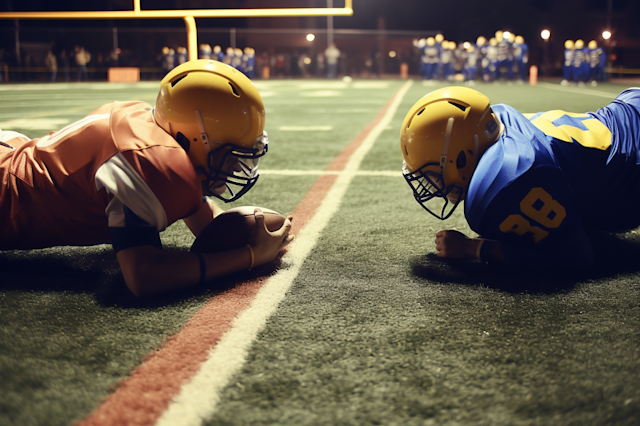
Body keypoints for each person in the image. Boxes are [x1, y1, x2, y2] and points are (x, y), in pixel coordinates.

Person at [0, 60, 293, 297]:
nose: (234, 167)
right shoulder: (147, 158)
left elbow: (204, 222)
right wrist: (250, 256)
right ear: (193, 135)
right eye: (228, 154)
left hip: (13, 152)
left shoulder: (153, 127)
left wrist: (249, 230)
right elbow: (143, 275)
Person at [399, 86, 640, 272]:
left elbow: (576, 256)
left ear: (462, 157)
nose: (433, 184)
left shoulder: (511, 176)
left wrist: (472, 248)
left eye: (432, 174)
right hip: (628, 109)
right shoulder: (498, 123)